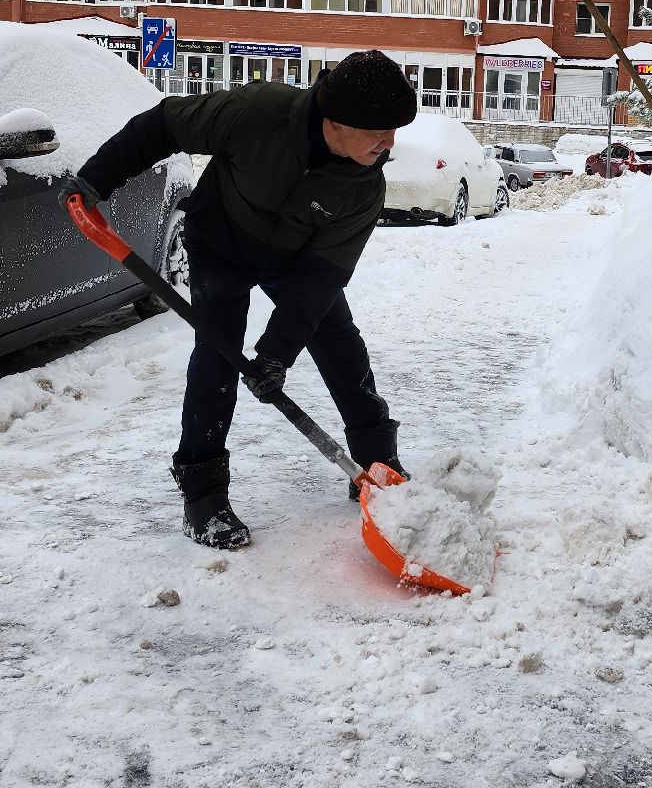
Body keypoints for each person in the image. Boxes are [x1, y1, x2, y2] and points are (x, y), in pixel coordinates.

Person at [62, 50, 417, 550]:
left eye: (395, 130)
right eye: (378, 130)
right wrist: (95, 179)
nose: (389, 143)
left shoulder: (364, 187)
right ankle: (203, 494)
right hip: (221, 243)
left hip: (296, 260)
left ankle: (378, 460)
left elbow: (319, 282)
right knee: (218, 352)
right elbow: (165, 124)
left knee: (339, 341)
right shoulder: (259, 112)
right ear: (334, 119)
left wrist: (275, 355)